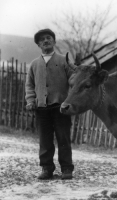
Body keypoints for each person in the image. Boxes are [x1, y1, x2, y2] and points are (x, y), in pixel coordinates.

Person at [25, 29, 75, 180]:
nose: (45, 41)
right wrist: (30, 101)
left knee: (63, 139)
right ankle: (47, 169)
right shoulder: (34, 64)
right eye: (42, 40)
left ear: (54, 41)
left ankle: (66, 169)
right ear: (38, 44)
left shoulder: (64, 61)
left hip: (61, 108)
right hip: (42, 109)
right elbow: (29, 85)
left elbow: (74, 81)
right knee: (45, 140)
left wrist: (70, 100)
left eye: (48, 38)